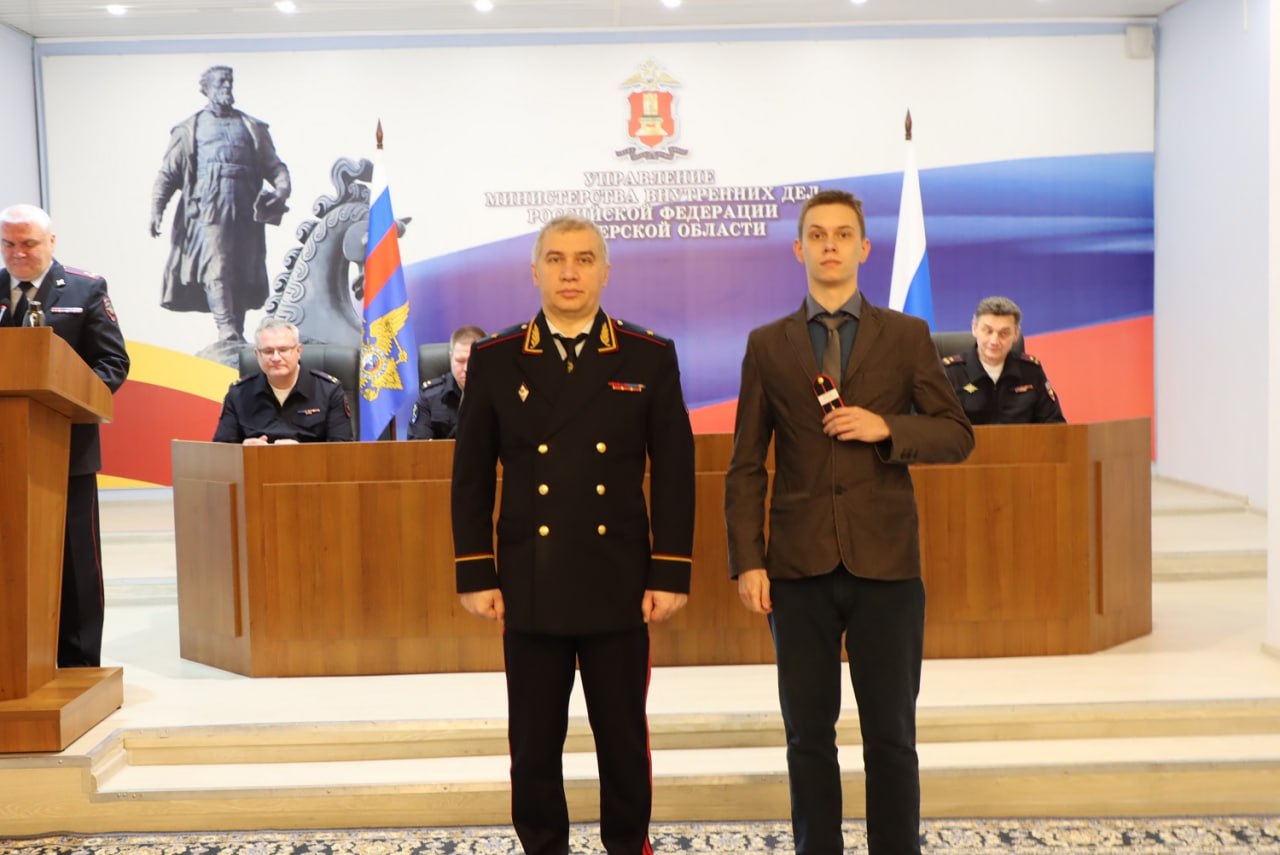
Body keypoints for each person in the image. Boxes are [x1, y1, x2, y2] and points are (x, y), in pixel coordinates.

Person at [723, 189, 974, 855]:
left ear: (863, 248)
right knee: (808, 736)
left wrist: (886, 426)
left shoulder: (907, 335)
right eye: (817, 234)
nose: (829, 245)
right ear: (799, 249)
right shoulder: (767, 345)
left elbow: (957, 434)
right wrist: (749, 559)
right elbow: (746, 464)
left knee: (891, 735)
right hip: (797, 568)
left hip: (887, 567)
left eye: (842, 234)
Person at [450, 215, 695, 855]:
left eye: (584, 259)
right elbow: (471, 475)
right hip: (530, 579)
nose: (569, 272)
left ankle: (628, 845)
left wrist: (670, 570)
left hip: (619, 581)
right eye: (556, 259)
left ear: (605, 272)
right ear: (535, 271)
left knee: (623, 740)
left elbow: (674, 472)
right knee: (533, 743)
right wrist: (475, 570)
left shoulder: (648, 355)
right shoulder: (496, 358)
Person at [0, 203, 130, 669]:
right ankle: (16, 661)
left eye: (28, 243)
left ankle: (78, 663)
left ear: (51, 242)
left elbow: (112, 363)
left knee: (75, 562)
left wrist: (71, 399)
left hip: (65, 449)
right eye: (9, 244)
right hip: (5, 450)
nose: (18, 253)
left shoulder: (84, 288)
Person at [150, 65, 291, 365]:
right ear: (207, 89)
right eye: (220, 82)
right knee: (218, 266)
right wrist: (157, 208)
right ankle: (227, 329)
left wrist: (281, 190)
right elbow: (168, 174)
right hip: (209, 208)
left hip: (246, 208)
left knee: (243, 269)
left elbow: (275, 167)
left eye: (229, 81)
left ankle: (236, 332)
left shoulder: (251, 127)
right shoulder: (191, 129)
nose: (227, 86)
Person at [212, 317, 352, 444]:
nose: (276, 358)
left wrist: (301, 453)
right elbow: (221, 450)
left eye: (283, 350)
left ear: (298, 351)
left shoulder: (329, 391)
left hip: (310, 465)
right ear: (257, 354)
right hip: (256, 464)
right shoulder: (238, 394)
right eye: (268, 351)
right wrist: (243, 449)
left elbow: (342, 451)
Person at [942, 295, 1066, 425]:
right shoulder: (950, 372)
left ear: (1016, 334)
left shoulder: (1031, 370)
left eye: (1004, 333)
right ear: (974, 328)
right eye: (988, 331)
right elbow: (939, 426)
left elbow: (1054, 424)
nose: (994, 341)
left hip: (1021, 439)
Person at [408, 324, 486, 440]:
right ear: (451, 358)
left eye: (473, 361)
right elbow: (418, 447)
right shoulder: (430, 397)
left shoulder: (501, 395)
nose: (466, 368)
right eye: (460, 361)